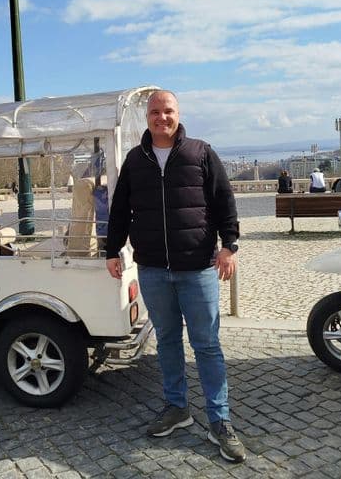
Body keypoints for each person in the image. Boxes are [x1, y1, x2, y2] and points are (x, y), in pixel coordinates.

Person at [105, 90, 246, 463]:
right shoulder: (136, 160)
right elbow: (120, 210)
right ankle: (177, 408)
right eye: (155, 112)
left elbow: (223, 200)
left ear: (178, 114)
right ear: (147, 118)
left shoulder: (200, 152)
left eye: (167, 111)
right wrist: (112, 250)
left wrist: (228, 246)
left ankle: (219, 420)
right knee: (167, 341)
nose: (161, 118)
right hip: (152, 269)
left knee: (207, 345)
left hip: (197, 268)